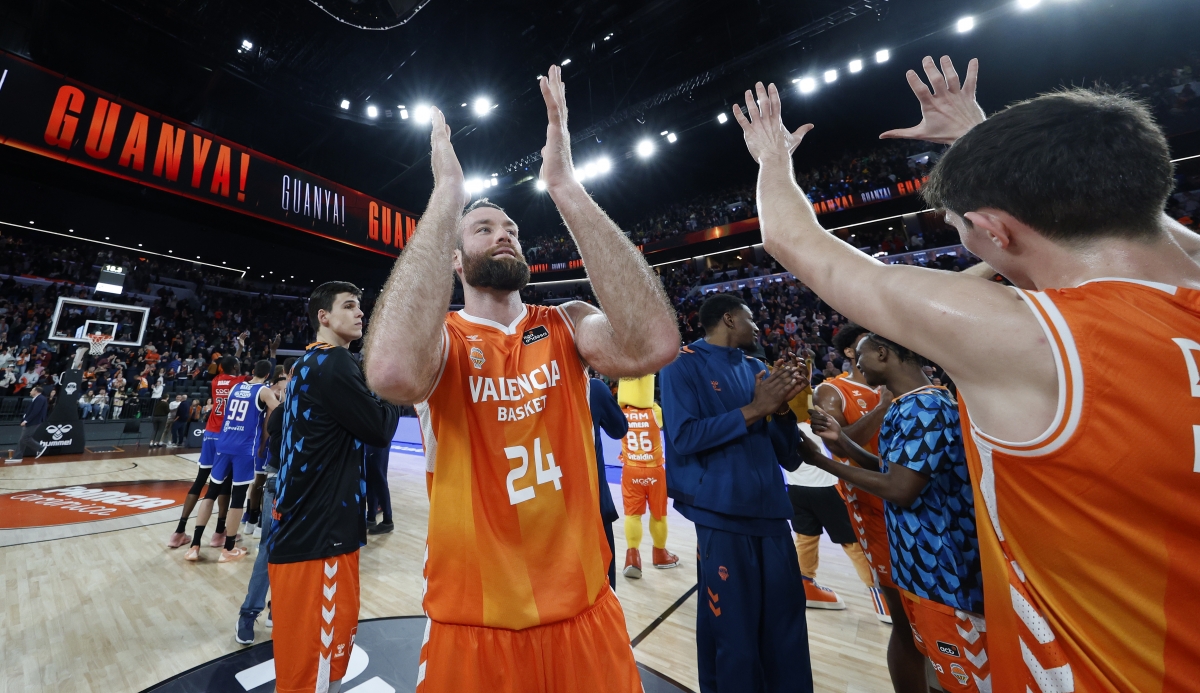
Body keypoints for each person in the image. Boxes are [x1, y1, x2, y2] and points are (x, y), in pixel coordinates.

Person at [733, 54, 1200, 691]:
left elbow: (794, 241)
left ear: (991, 229)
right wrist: (984, 142)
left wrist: (770, 159)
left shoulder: (1029, 338)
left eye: (960, 228)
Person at [362, 65, 678, 693]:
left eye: (510, 228)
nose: (504, 234)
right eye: (485, 229)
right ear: (456, 261)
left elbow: (655, 343)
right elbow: (391, 372)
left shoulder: (567, 322)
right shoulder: (441, 340)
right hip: (472, 619)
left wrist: (563, 187)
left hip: (584, 608)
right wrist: (447, 195)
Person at [799, 333, 987, 691]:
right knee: (936, 666)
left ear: (883, 354)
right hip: (922, 568)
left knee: (961, 678)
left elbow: (900, 490)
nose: (857, 365)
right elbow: (892, 470)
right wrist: (842, 441)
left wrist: (821, 460)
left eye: (863, 357)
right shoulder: (911, 404)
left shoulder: (925, 408)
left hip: (944, 573)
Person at [660, 293, 811, 693]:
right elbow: (685, 436)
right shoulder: (680, 364)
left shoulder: (758, 367)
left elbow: (787, 455)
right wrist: (758, 408)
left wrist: (783, 409)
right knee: (734, 633)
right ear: (728, 319)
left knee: (787, 630)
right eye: (750, 318)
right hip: (721, 516)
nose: (758, 326)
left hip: (773, 516)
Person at [267, 282, 402, 693]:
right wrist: (394, 385)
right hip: (320, 536)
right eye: (349, 306)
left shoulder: (305, 363)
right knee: (314, 675)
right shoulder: (335, 364)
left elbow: (276, 429)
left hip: (297, 528)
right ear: (323, 317)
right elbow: (379, 429)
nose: (360, 312)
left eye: (360, 306)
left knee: (298, 672)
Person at [809, 322, 894, 625]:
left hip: (905, 482)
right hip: (865, 490)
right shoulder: (832, 390)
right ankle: (884, 600)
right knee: (880, 561)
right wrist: (882, 408)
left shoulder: (896, 382)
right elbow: (841, 448)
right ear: (850, 351)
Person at [185, 360, 278, 563]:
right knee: (237, 498)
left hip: (223, 443)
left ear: (252, 371)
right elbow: (279, 412)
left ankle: (195, 546)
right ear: (268, 375)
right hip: (243, 449)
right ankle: (228, 549)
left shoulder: (236, 387)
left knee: (211, 493)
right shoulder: (264, 391)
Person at [165, 344, 244, 549]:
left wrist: (236, 353)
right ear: (236, 368)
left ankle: (179, 532)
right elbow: (243, 373)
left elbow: (229, 367)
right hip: (225, 435)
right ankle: (219, 533)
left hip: (209, 434)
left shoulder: (216, 381)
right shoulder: (238, 382)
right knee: (225, 484)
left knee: (200, 480)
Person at [235, 368, 292, 645]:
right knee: (268, 550)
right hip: (279, 481)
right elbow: (274, 434)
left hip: (304, 486)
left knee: (294, 552)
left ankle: (276, 609)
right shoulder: (282, 411)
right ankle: (249, 613)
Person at [615, 374, 678, 578]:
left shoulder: (620, 413)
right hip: (654, 470)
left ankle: (632, 557)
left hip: (630, 469)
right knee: (658, 514)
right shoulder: (655, 411)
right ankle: (659, 554)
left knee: (632, 515)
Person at [589, 373, 628, 589]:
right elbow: (619, 428)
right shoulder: (593, 388)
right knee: (605, 589)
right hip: (595, 506)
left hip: (553, 512)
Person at [364, 443, 394, 535]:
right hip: (371, 439)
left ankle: (387, 521)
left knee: (379, 478)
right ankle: (371, 517)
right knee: (370, 478)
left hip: (379, 439)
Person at [12, 385, 48, 461]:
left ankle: (40, 448)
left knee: (25, 438)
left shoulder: (40, 398)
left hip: (34, 421)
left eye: (32, 390)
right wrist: (24, 419)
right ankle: (17, 457)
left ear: (36, 391)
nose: (30, 391)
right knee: (22, 439)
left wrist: (26, 420)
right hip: (32, 421)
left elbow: (35, 411)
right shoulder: (36, 399)